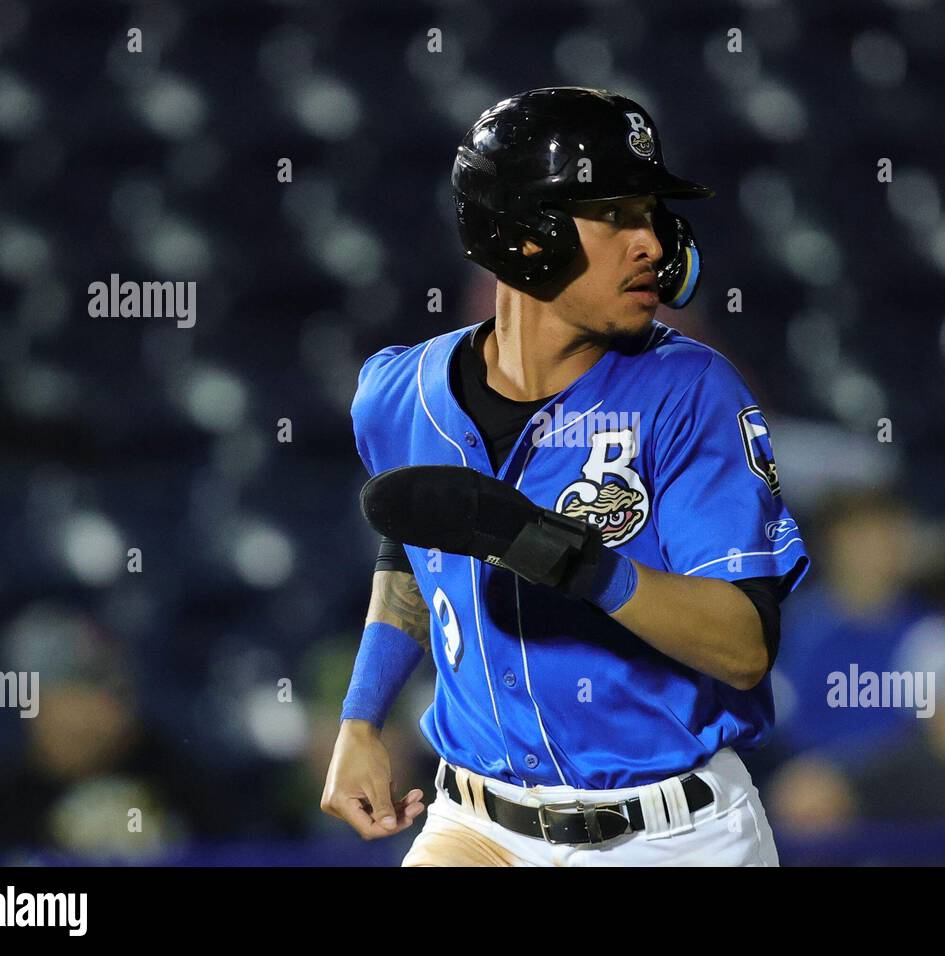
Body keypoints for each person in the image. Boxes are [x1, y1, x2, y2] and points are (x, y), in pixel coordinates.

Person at [320, 87, 810, 866]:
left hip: (669, 834)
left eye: (652, 215)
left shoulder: (689, 391)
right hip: (475, 824)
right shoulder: (395, 392)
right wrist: (360, 718)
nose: (651, 243)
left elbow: (744, 646)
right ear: (522, 233)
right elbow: (416, 555)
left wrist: (570, 559)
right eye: (617, 215)